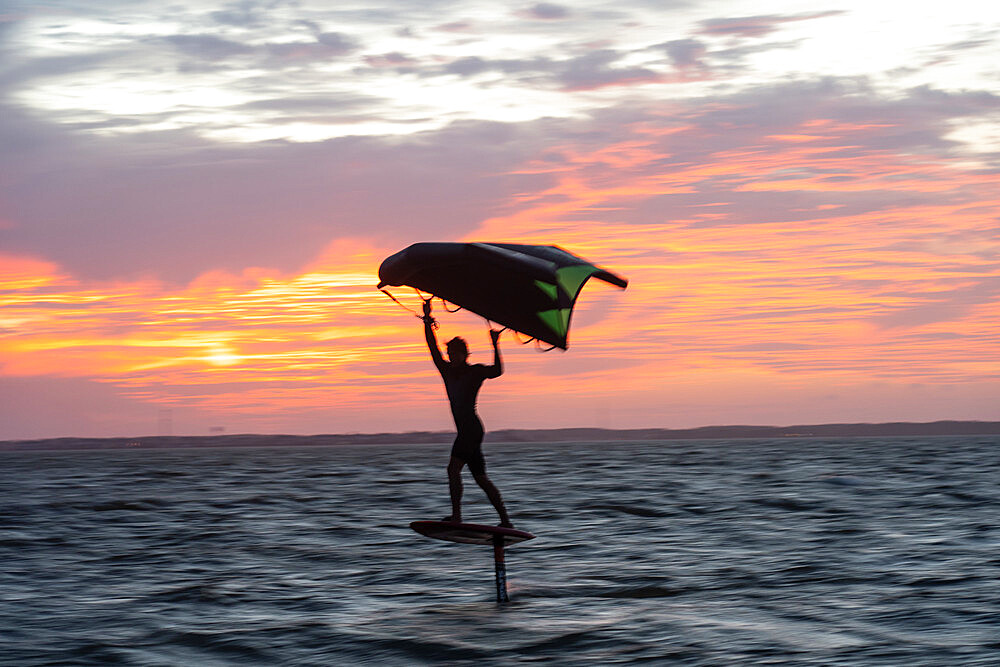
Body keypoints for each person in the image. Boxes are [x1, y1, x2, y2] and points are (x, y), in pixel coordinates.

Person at [422, 299, 513, 527]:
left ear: (466, 354)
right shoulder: (446, 371)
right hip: (467, 431)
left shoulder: (475, 372)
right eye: (450, 353)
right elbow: (432, 347)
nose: (453, 356)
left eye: (457, 353)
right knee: (481, 479)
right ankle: (506, 521)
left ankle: (457, 516)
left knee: (453, 469)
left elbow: (498, 371)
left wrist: (495, 344)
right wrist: (426, 320)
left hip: (471, 429)